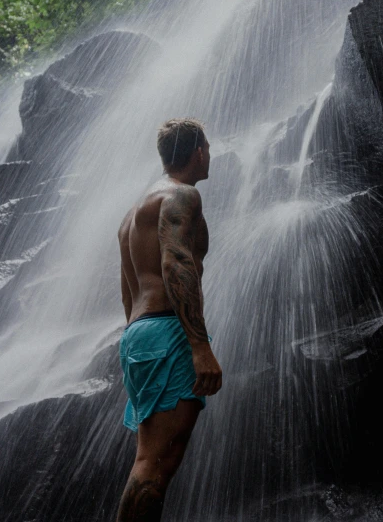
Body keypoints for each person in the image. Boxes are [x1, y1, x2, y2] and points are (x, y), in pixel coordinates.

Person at [116, 118, 222, 522]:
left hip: (140, 333)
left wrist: (136, 343)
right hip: (167, 330)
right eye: (207, 147)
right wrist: (199, 346)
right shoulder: (181, 195)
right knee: (155, 466)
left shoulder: (134, 213)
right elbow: (176, 262)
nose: (210, 154)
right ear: (197, 152)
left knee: (153, 462)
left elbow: (127, 285)